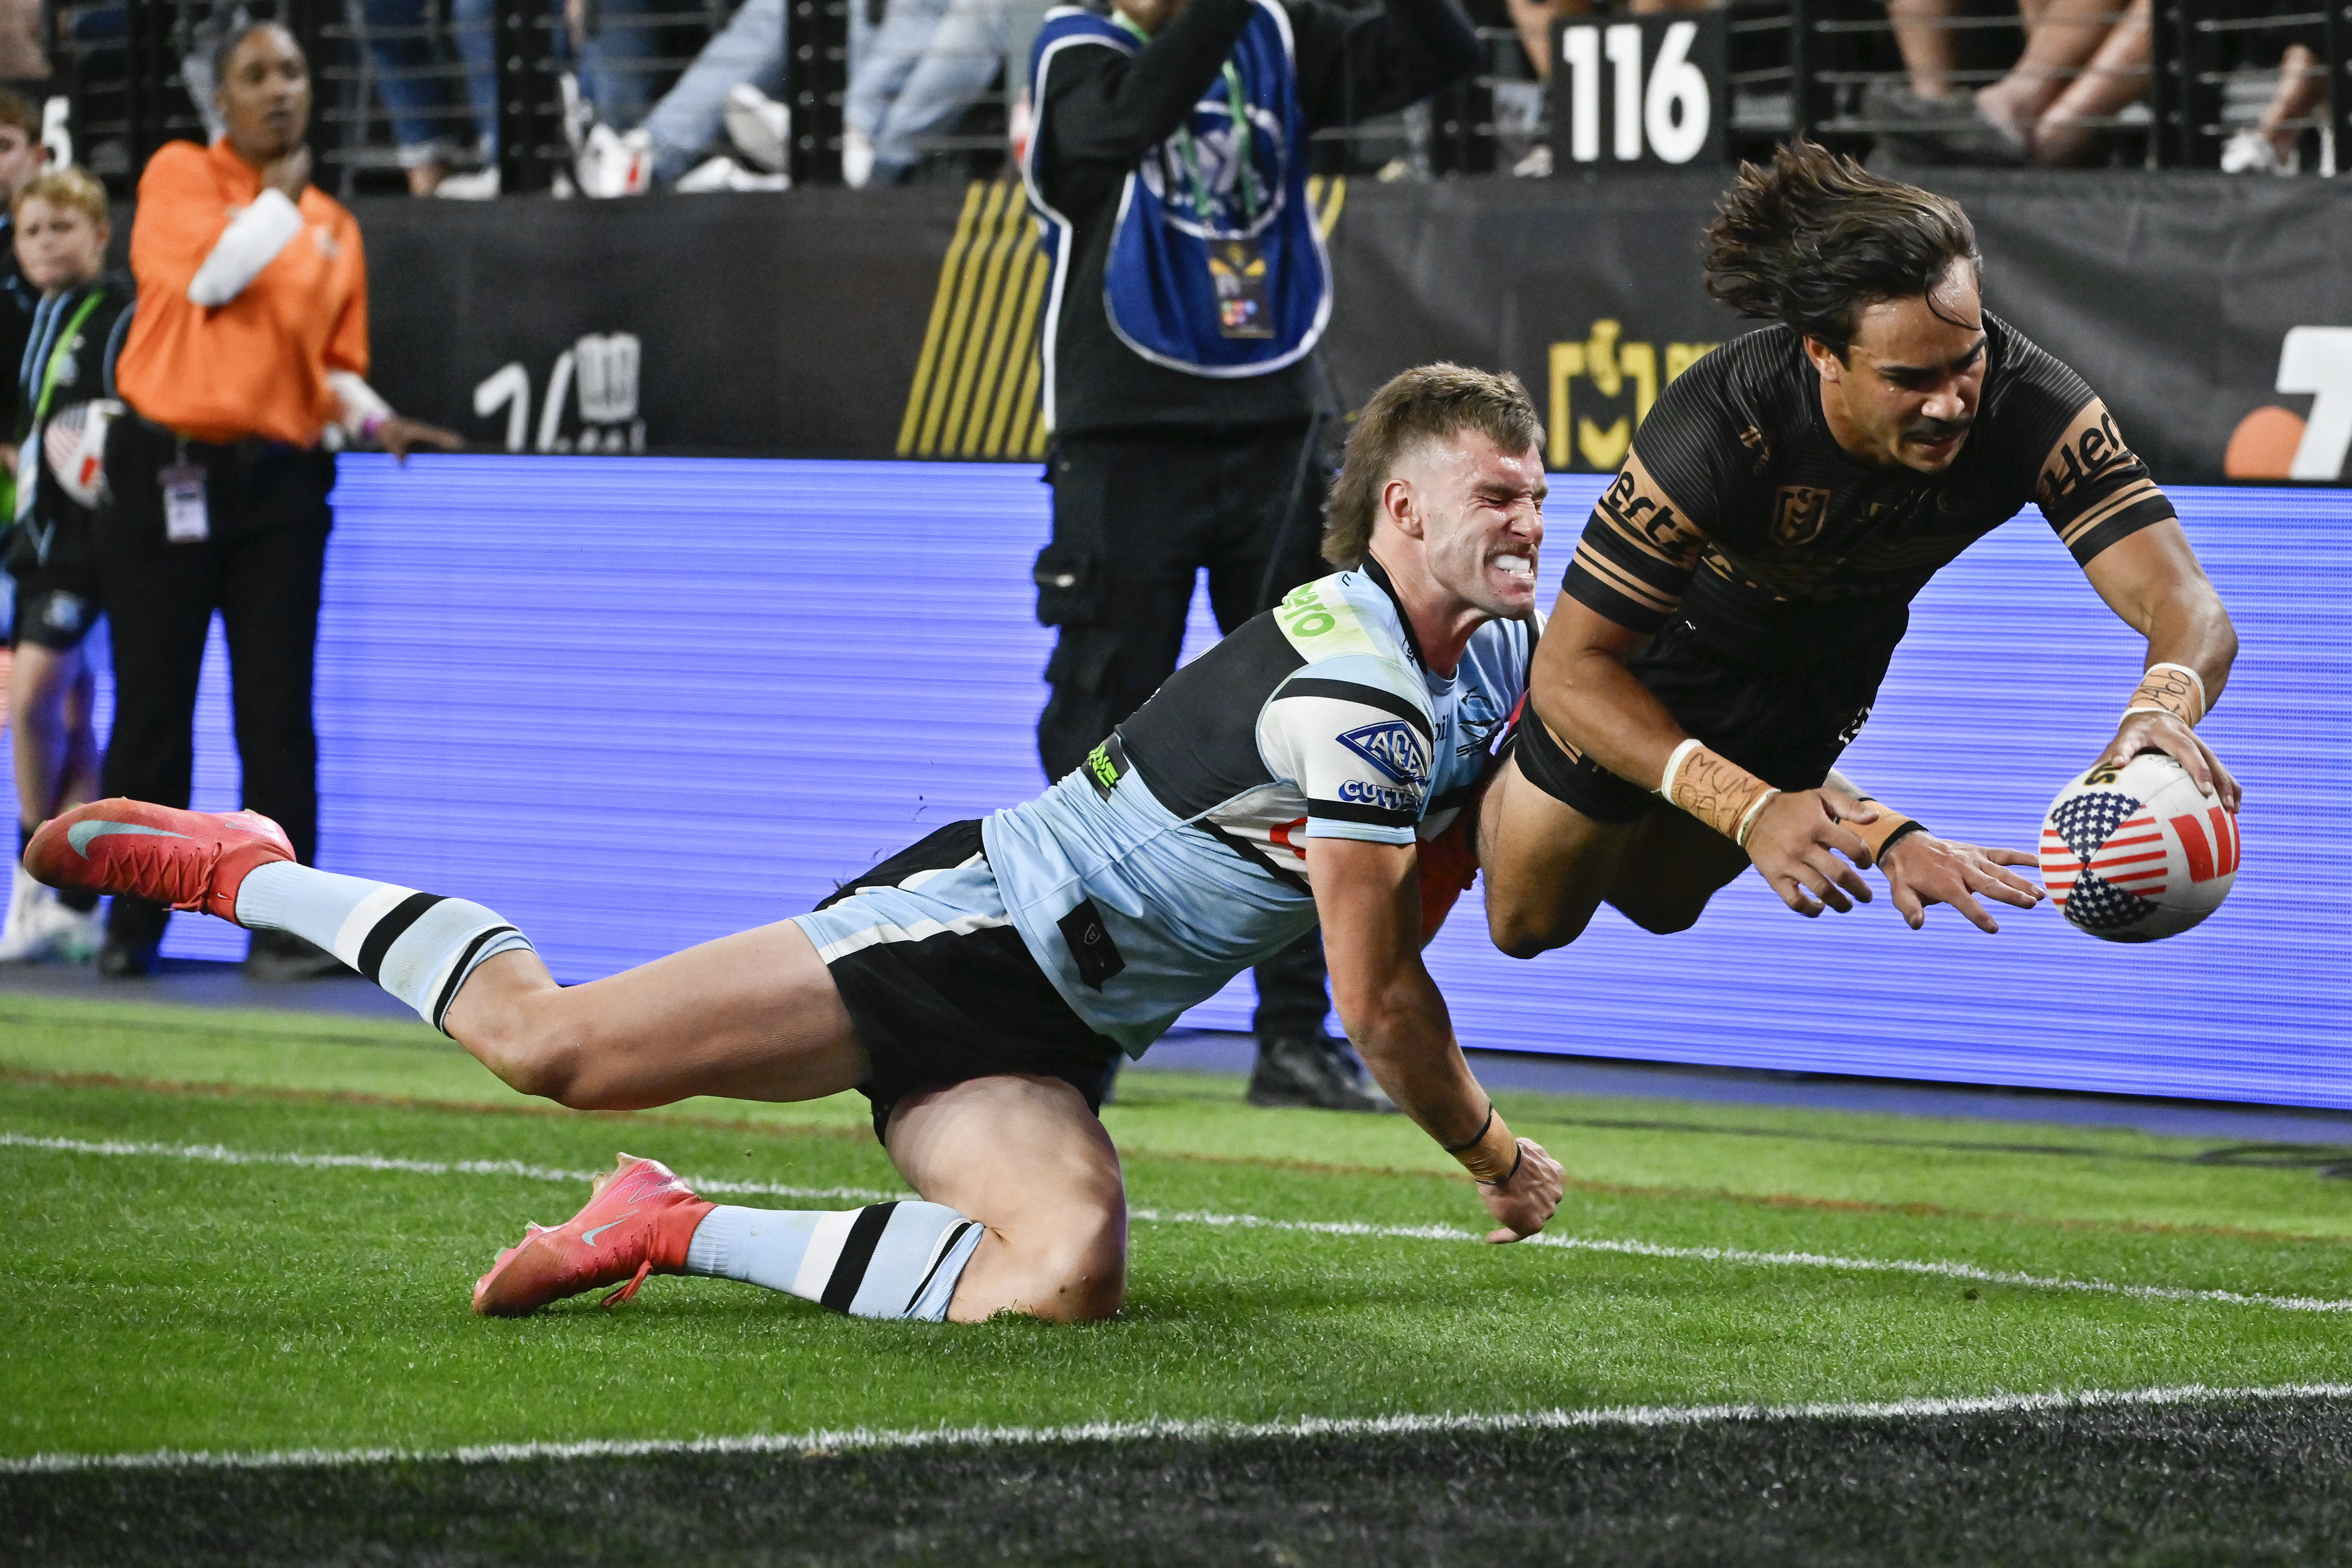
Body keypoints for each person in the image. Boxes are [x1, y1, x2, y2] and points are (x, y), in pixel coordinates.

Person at [32, 363, 1567, 1325]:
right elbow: (1374, 1001)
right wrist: (1487, 1156)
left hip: (1054, 1031)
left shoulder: (1482, 656)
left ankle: (663, 1222)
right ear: (1398, 507)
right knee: (543, 1047)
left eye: (1537, 497)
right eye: (1496, 495)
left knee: (1062, 1278)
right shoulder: (1354, 689)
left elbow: (1504, 806)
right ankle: (246, 866)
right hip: (968, 936)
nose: (1526, 522)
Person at [1471, 142, 2238, 962]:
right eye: (1910, 378)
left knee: (1662, 903)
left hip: (1825, 673)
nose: (1950, 403)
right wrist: (1747, 806)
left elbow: (2188, 604)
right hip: (1658, 662)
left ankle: (1848, 816)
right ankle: (1474, 757)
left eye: (1967, 359)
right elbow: (1570, 669)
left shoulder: (2032, 405)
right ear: (1823, 355)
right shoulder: (1724, 421)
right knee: (1530, 925)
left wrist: (2160, 705)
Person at [1023, 0, 1480, 1111]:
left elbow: (1436, 51)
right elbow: (1119, 126)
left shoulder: (1274, 32)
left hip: (1278, 424)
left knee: (1317, 727)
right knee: (1097, 729)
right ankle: (1070, 1022)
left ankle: (1292, 1037)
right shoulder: (1076, 51)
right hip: (1122, 434)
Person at [93, 21, 464, 981]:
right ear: (220, 99)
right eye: (255, 75)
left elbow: (329, 372)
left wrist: (382, 423)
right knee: (154, 707)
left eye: (292, 72)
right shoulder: (180, 176)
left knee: (276, 712)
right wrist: (281, 199)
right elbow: (214, 278)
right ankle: (132, 928)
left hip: (282, 486)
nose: (278, 90)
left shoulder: (332, 225)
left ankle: (289, 933)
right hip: (167, 470)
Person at [0, 167, 132, 963]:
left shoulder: (117, 314)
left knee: (29, 703)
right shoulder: (42, 311)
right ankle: (75, 899)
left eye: (62, 229)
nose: (45, 246)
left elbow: (120, 421)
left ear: (100, 235)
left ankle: (27, 876)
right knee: (74, 714)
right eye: (30, 232)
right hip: (39, 543)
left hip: (87, 552)